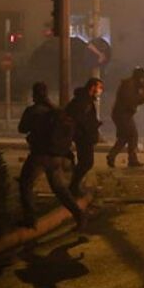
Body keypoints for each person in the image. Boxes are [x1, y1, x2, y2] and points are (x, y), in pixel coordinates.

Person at [17, 82, 85, 230]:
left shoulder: (33, 111)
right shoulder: (56, 111)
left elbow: (22, 128)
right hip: (56, 157)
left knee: (25, 184)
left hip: (39, 156)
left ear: (34, 94)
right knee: (60, 189)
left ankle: (30, 219)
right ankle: (79, 215)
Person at [107, 67, 144, 168]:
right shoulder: (129, 85)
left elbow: (138, 101)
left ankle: (113, 156)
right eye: (143, 77)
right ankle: (131, 159)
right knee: (132, 135)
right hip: (122, 114)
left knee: (125, 137)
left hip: (125, 114)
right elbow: (132, 100)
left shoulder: (134, 84)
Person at [67, 77, 104, 197]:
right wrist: (93, 126)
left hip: (84, 136)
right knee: (86, 162)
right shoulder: (84, 101)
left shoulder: (85, 99)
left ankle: (74, 185)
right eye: (99, 88)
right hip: (83, 137)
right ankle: (73, 186)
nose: (100, 91)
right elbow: (80, 119)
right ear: (92, 87)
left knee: (85, 162)